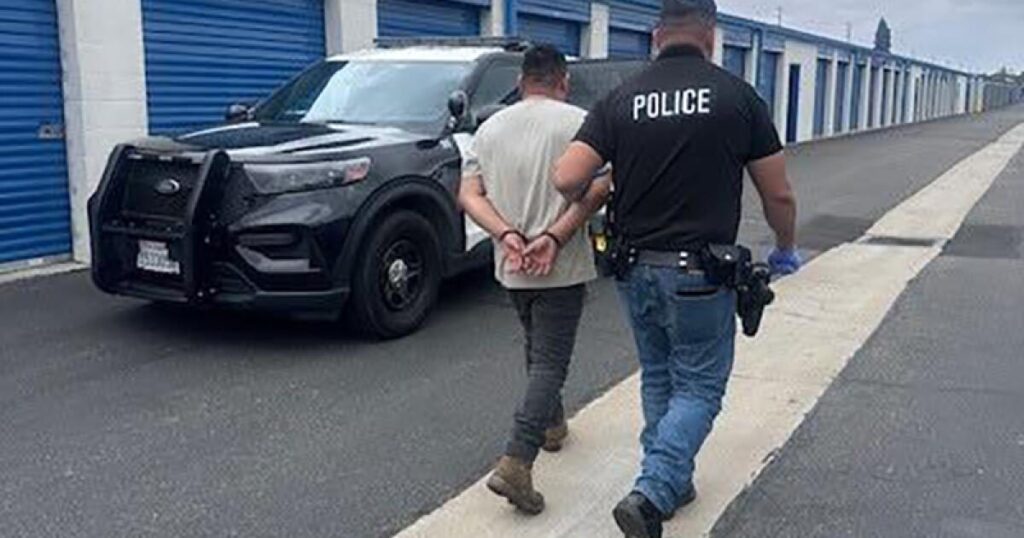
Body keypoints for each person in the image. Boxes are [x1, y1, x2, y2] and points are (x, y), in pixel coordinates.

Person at [553, 1, 801, 536]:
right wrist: (785, 247)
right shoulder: (738, 97)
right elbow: (778, 192)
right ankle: (653, 492)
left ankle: (673, 479)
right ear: (711, 36)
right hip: (699, 277)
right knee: (700, 386)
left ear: (656, 34)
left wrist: (615, 175)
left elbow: (566, 177)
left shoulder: (622, 98)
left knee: (660, 374)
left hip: (634, 269)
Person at [458, 45, 611, 516]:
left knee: (535, 346)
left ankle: (552, 424)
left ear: (521, 81)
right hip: (559, 264)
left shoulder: (489, 128)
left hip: (512, 264)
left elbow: (469, 194)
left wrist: (506, 234)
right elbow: (601, 187)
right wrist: (556, 234)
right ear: (563, 81)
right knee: (550, 362)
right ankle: (517, 461)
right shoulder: (580, 123)